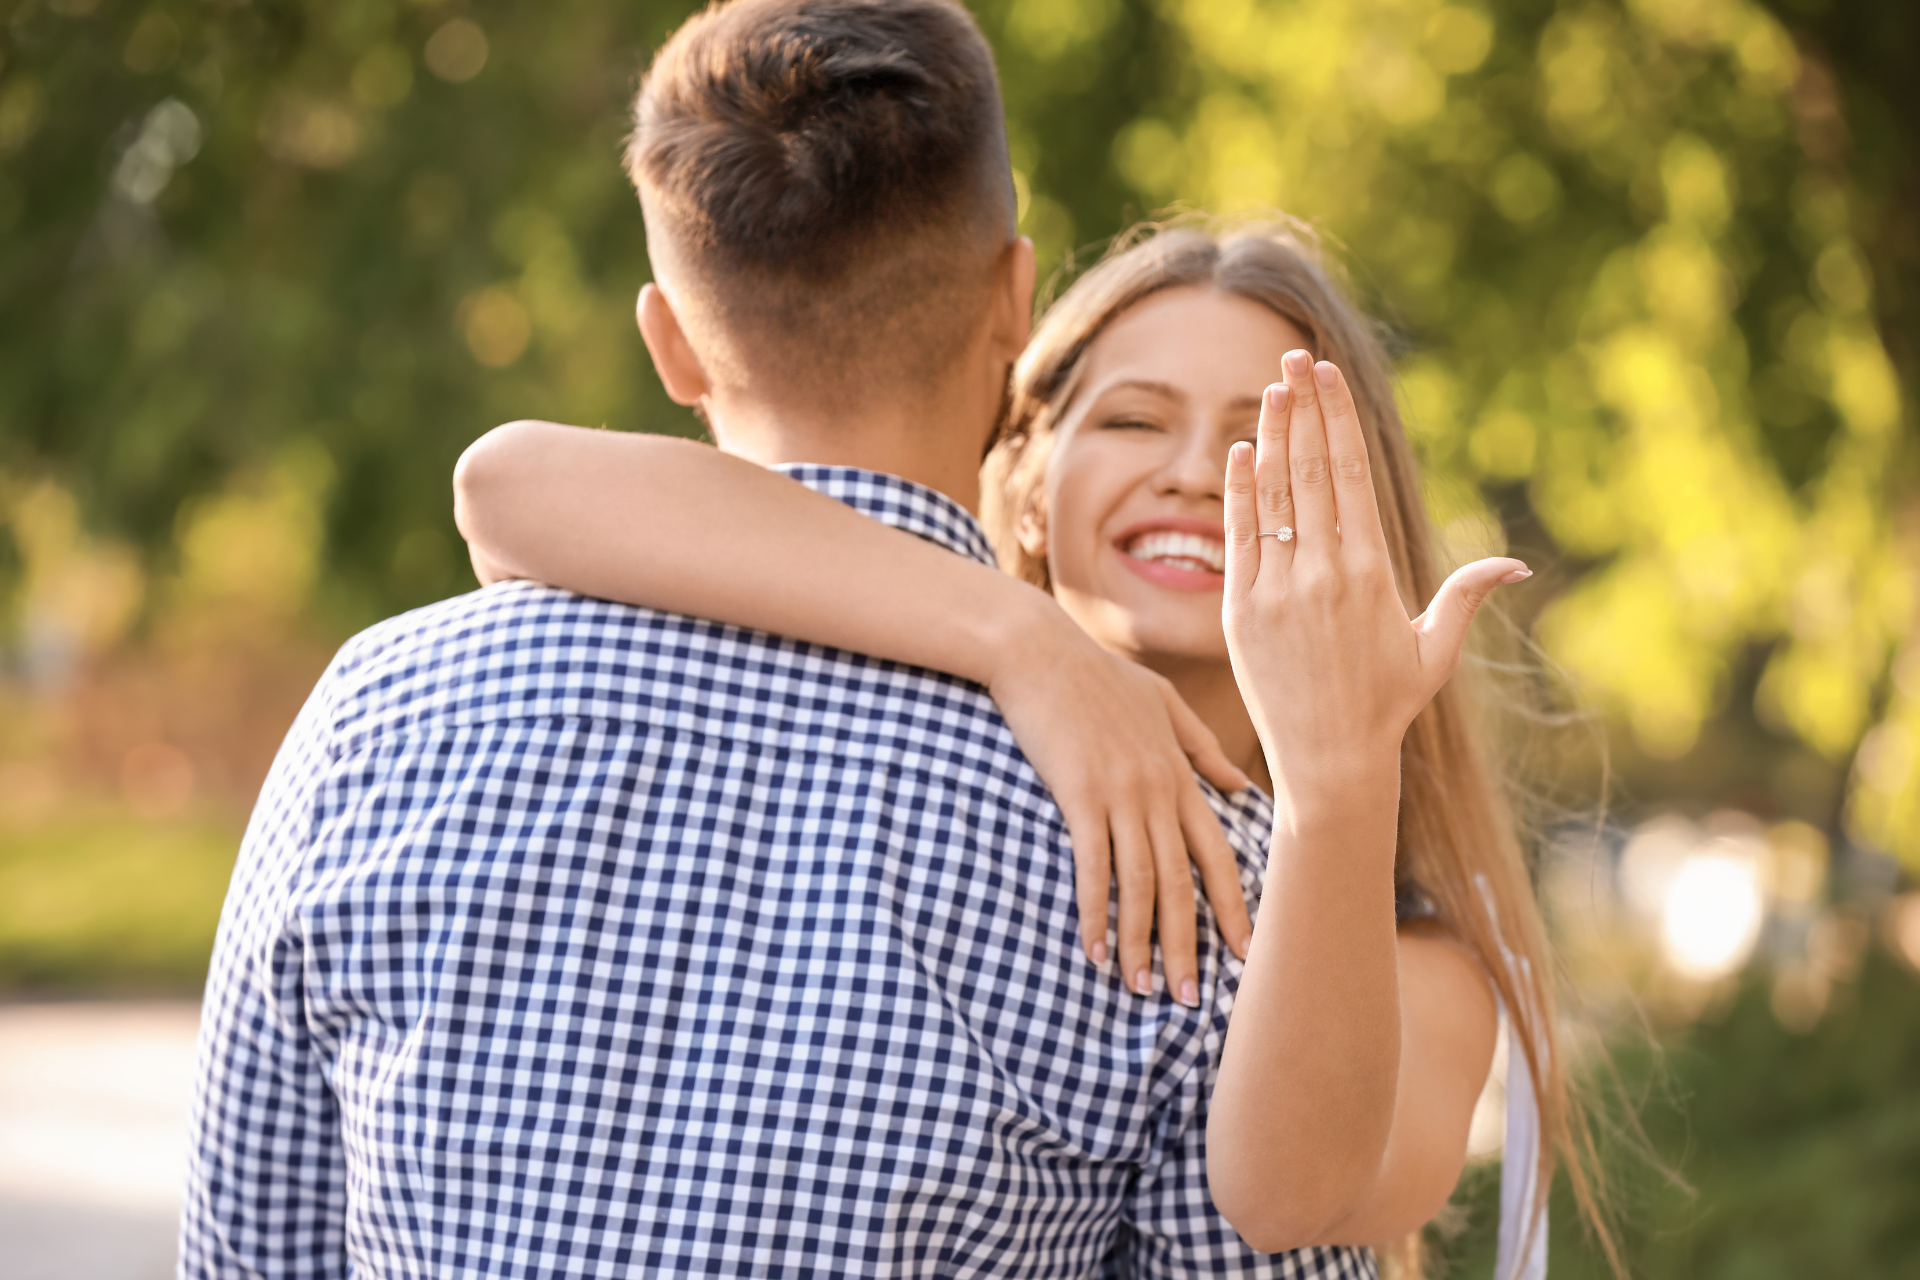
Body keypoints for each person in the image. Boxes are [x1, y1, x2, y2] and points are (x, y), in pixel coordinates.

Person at [181, 2, 1356, 1276]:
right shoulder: (1174, 847)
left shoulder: (378, 719)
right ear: (1016, 300)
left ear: (671, 342)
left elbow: (249, 1249)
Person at [455, 220, 1625, 1279]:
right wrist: (1021, 638)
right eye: (1131, 418)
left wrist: (1337, 779)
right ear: (1027, 480)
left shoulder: (1424, 948)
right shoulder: (938, 722)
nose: (1189, 472)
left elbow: (1291, 1195)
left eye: (1261, 444)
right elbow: (509, 484)